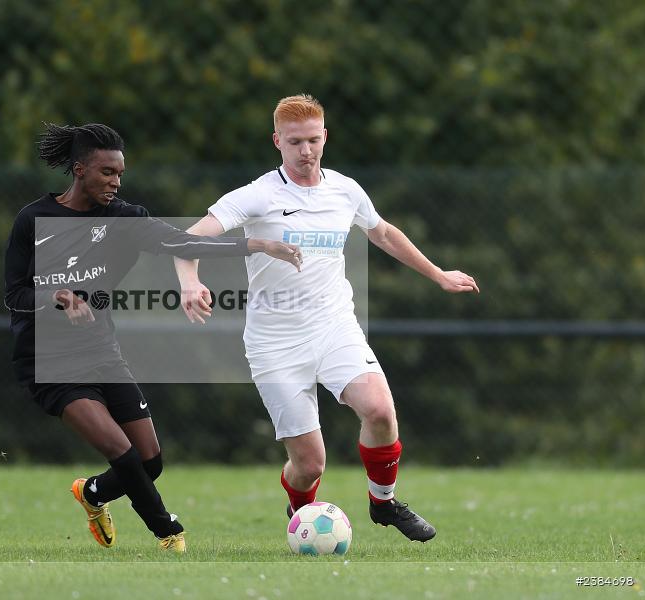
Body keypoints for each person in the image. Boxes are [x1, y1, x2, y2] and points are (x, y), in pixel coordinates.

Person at [173, 95, 479, 543]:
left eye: (314, 140)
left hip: (334, 325)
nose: (306, 151)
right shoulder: (258, 195)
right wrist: (189, 282)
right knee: (310, 464)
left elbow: (384, 233)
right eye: (295, 141)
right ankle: (300, 517)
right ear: (277, 141)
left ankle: (384, 503)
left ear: (325, 137)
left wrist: (438, 274)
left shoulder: (345, 190)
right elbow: (189, 239)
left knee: (379, 410)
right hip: (274, 341)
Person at [4, 122, 302, 553]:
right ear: (79, 169)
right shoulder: (32, 220)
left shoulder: (125, 219)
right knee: (122, 453)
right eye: (107, 172)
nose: (116, 181)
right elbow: (14, 295)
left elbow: (183, 243)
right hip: (47, 361)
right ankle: (168, 533)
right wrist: (61, 296)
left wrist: (254, 245)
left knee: (149, 461)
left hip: (101, 352)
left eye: (120, 173)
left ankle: (92, 494)